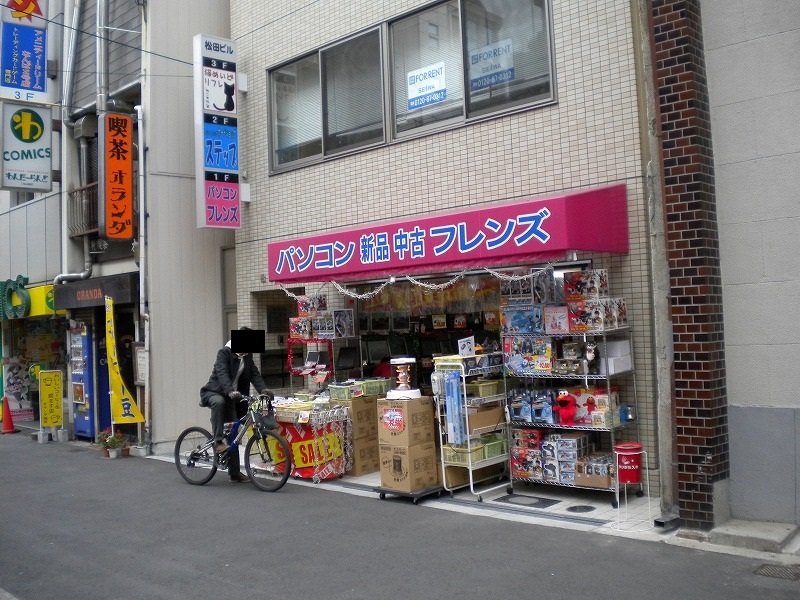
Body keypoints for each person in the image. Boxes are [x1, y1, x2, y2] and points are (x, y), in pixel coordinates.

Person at [199, 329, 272, 483]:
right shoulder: (224, 353)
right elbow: (222, 374)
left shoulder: (247, 357)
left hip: (234, 398)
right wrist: (230, 391)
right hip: (215, 392)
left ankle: (234, 473)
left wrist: (263, 390)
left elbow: (254, 374)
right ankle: (218, 442)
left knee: (234, 433)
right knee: (219, 402)